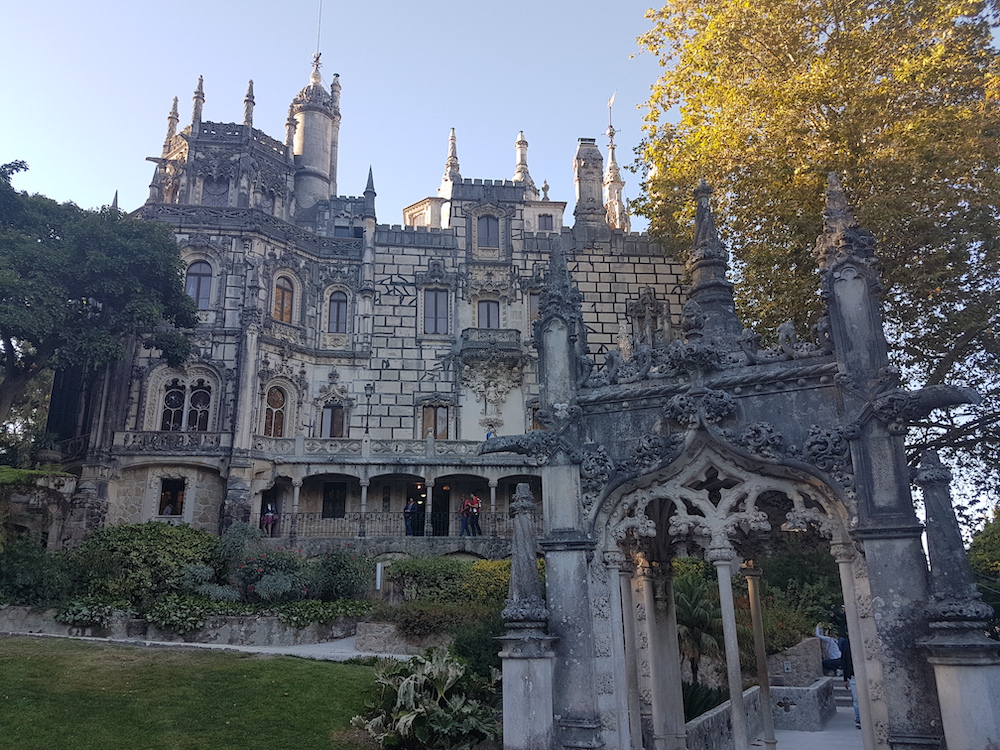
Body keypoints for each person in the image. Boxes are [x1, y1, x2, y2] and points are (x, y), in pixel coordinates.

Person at [841, 631, 861, 728]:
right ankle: (859, 719)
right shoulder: (846, 646)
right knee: (856, 699)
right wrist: (845, 679)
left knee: (857, 699)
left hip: (859, 675)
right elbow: (844, 662)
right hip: (852, 676)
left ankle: (860, 718)